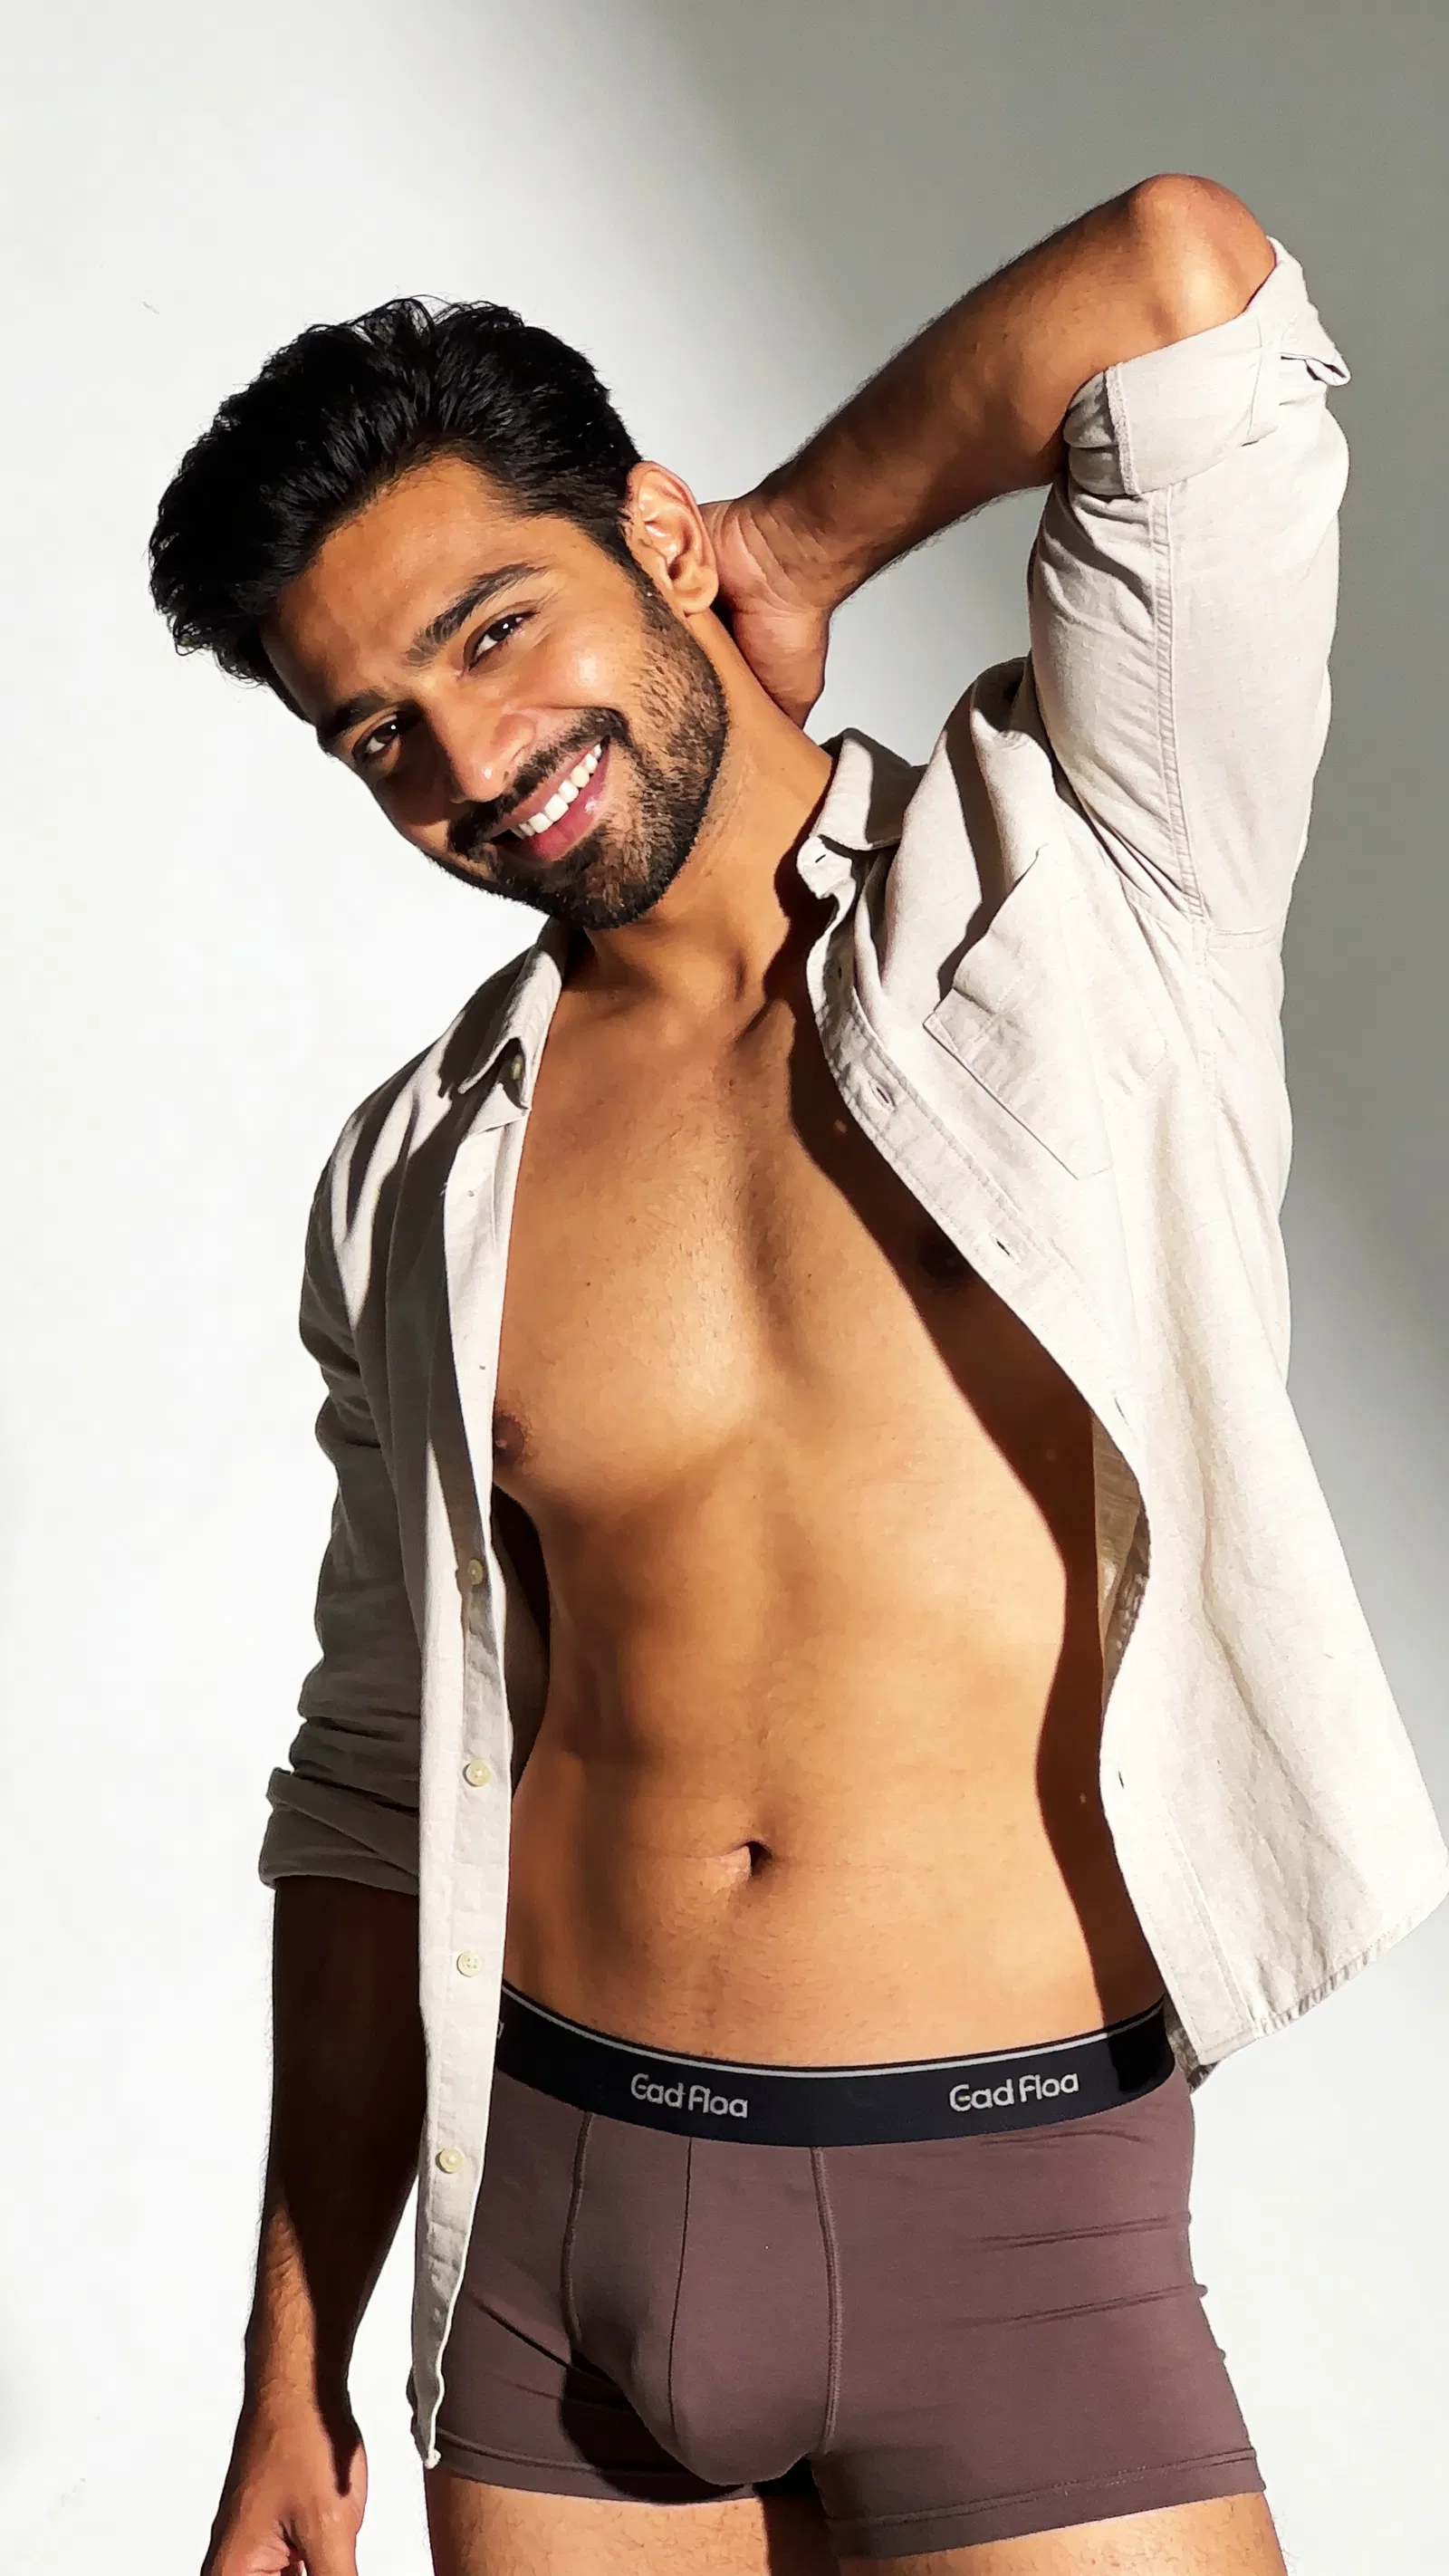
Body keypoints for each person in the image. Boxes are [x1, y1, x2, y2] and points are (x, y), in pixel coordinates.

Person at [150, 174, 1446, 2576]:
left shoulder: (1090, 884)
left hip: (1014, 2215)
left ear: (653, 531)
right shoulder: (426, 1175)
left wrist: (800, 538)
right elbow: (370, 1790)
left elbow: (1178, 278)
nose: (476, 759)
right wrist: (288, 2375)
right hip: (554, 2249)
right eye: (383, 732)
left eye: (496, 626)